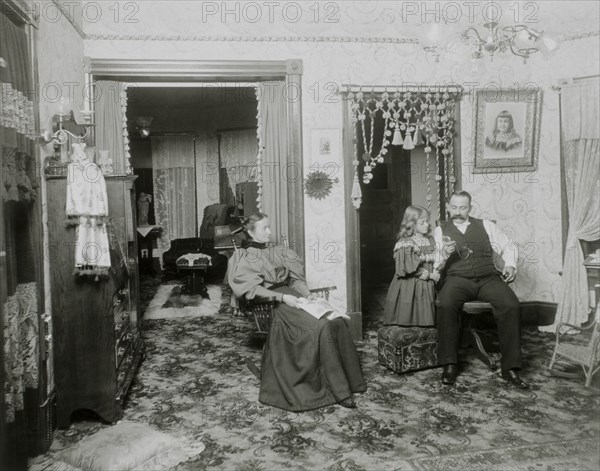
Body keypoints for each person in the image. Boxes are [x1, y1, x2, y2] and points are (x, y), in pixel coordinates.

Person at [228, 212, 366, 411]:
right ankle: (338, 391)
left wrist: (307, 295)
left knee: (337, 321)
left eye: (269, 227)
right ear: (250, 232)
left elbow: (296, 280)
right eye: (264, 228)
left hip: (294, 296)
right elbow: (251, 290)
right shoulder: (243, 257)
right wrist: (282, 298)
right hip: (273, 303)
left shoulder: (279, 251)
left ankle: (352, 383)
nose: (269, 232)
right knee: (321, 327)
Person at [432, 191, 529, 389]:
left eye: (463, 207)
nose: (458, 212)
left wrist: (510, 265)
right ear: (448, 207)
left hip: (488, 278)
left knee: (511, 305)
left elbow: (508, 245)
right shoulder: (441, 231)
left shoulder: (486, 225)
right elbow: (436, 265)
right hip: (457, 279)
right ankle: (449, 364)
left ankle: (510, 367)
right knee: (446, 303)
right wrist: (443, 255)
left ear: (470, 208)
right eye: (454, 207)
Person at [382, 205, 440, 326]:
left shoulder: (430, 240)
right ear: (412, 224)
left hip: (427, 285)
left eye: (427, 221)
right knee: (410, 316)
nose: (427, 225)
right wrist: (430, 276)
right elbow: (407, 268)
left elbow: (437, 259)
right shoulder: (405, 242)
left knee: (426, 318)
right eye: (422, 222)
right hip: (411, 284)